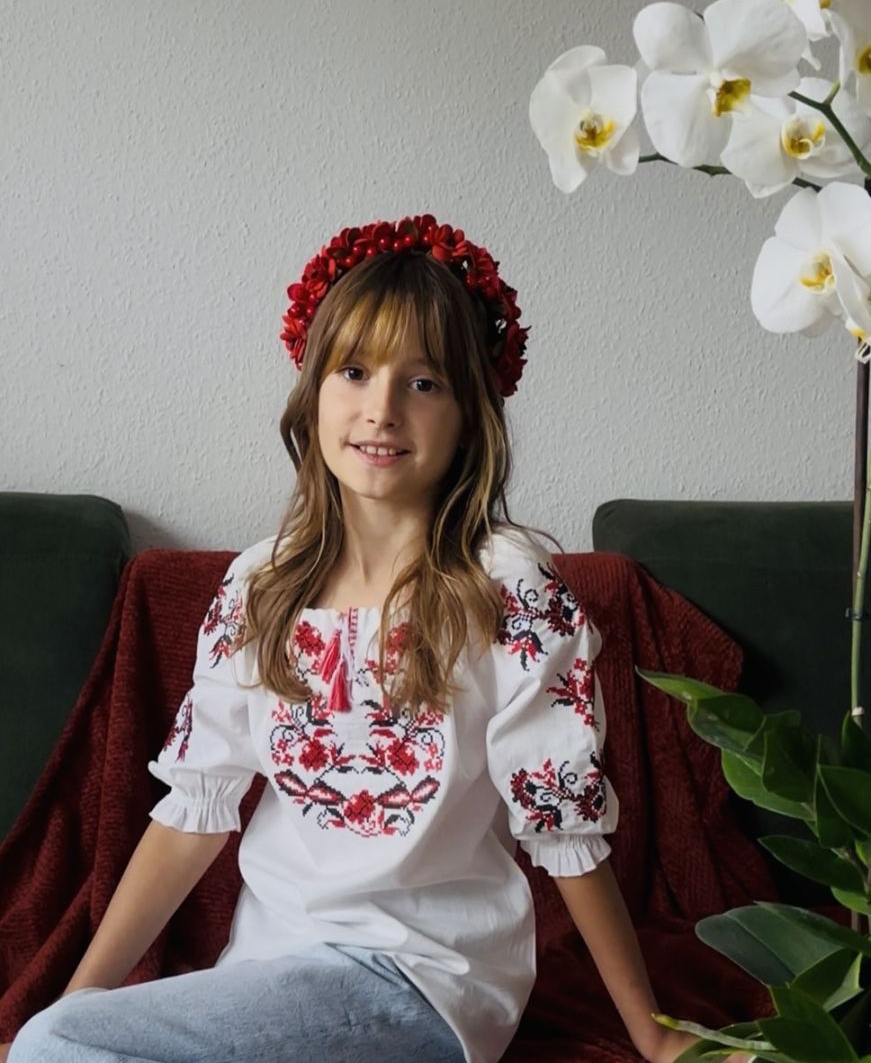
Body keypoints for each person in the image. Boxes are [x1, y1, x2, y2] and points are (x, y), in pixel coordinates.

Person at [3, 214, 751, 1063]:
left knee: (60, 1048)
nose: (381, 410)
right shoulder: (259, 586)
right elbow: (192, 816)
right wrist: (75, 1002)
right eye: (354, 371)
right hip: (266, 974)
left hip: (426, 979)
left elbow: (561, 824)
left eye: (423, 382)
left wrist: (653, 1036)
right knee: (56, 1040)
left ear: (469, 414)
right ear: (313, 389)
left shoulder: (508, 588)